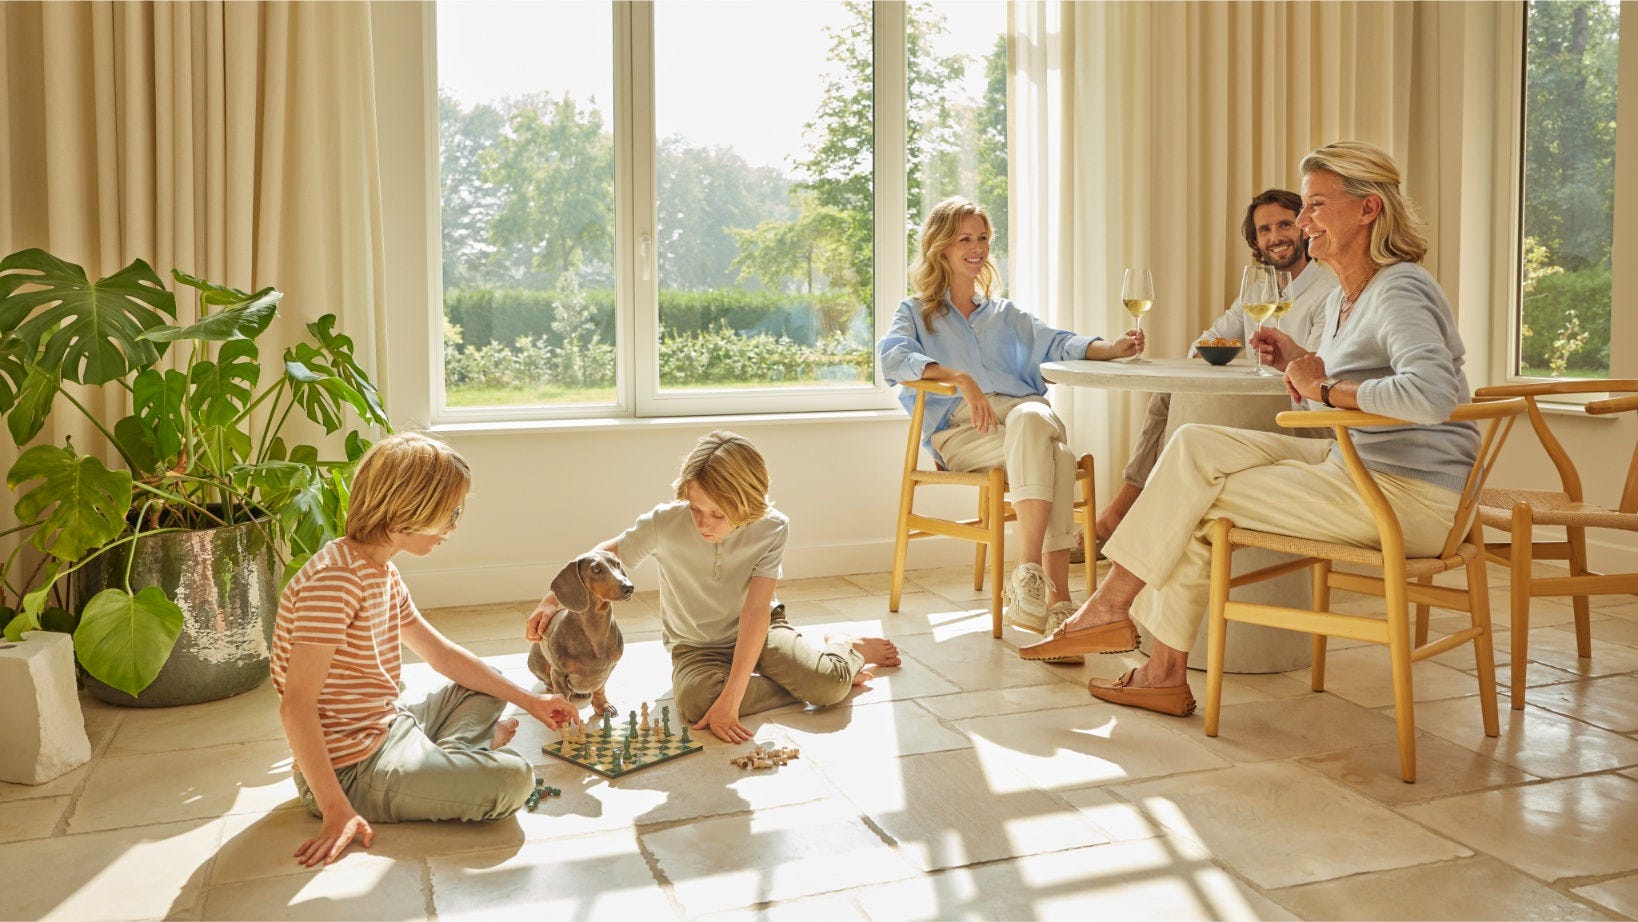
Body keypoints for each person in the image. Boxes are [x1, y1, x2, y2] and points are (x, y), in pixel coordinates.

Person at [1020, 141, 1479, 718]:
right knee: (1194, 446)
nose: (1304, 221)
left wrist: (1324, 388)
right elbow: (1327, 406)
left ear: (1367, 210)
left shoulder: (1400, 287)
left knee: (1197, 500)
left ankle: (1131, 638)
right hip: (1358, 469)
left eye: (1315, 205)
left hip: (1411, 494)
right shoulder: (1347, 297)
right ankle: (1127, 634)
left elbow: (1431, 395)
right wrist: (1297, 362)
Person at [272, 432, 581, 867]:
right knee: (514, 779)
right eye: (449, 514)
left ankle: (449, 759)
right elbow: (296, 706)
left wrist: (529, 700)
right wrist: (336, 808)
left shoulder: (379, 571)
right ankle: (457, 759)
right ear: (406, 513)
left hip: (390, 727)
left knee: (487, 684)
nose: (453, 528)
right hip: (351, 771)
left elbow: (444, 657)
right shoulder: (334, 582)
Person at [877, 196, 1142, 640]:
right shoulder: (915, 311)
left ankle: (1028, 575)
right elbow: (893, 357)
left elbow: (1059, 342)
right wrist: (960, 378)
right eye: (964, 238)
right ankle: (1059, 600)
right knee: (1057, 457)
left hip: (1023, 420)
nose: (976, 247)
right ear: (941, 246)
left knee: (1032, 420)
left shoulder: (1007, 314)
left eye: (982, 238)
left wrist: (1110, 349)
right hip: (963, 432)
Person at [526, 430, 901, 744]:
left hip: (761, 630)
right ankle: (798, 677)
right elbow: (604, 555)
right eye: (695, 508)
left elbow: (756, 610)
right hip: (695, 646)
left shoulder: (772, 527)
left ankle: (846, 650)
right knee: (696, 704)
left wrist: (734, 696)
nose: (703, 523)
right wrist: (550, 600)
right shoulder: (664, 522)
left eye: (718, 513)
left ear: (748, 501)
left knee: (828, 690)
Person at [1089, 189, 1340, 547]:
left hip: (1297, 414)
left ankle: (1126, 518)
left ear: (1302, 228)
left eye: (1284, 225)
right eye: (1264, 230)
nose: (1275, 237)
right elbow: (1207, 341)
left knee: (1182, 409)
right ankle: (1129, 514)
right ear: (1256, 240)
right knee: (1170, 392)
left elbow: (1317, 370)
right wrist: (1206, 355)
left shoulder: (1328, 290)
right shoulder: (1258, 289)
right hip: (1259, 404)